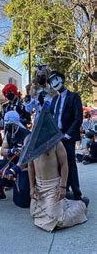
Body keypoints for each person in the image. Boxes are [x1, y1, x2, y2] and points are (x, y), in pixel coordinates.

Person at [28, 140, 89, 232]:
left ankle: (82, 205)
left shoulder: (56, 143)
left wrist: (63, 187)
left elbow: (64, 164)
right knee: (34, 213)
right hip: (39, 186)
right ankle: (63, 202)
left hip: (53, 185)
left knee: (57, 221)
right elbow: (30, 166)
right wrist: (32, 187)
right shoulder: (31, 142)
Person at [49, 71, 84, 200]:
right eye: (51, 81)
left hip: (67, 136)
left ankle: (77, 193)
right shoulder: (54, 100)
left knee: (70, 163)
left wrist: (68, 135)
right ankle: (64, 189)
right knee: (58, 164)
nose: (54, 83)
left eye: (56, 79)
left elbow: (78, 118)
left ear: (62, 79)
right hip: (56, 136)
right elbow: (51, 117)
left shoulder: (74, 97)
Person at [0, 110, 30, 206]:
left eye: (9, 124)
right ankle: (0, 193)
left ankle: (20, 186)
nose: (7, 126)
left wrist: (14, 171)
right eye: (6, 124)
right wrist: (12, 151)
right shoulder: (8, 134)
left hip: (23, 168)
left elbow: (26, 158)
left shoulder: (27, 135)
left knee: (22, 202)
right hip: (10, 164)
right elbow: (2, 151)